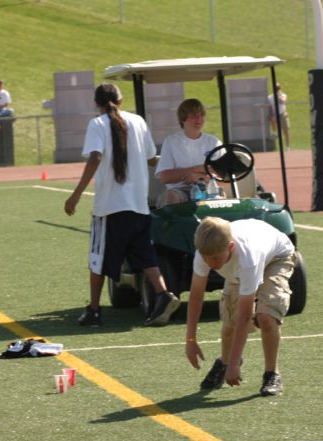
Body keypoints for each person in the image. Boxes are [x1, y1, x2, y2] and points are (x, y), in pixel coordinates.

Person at [64, 83, 180, 327]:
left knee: (98, 259)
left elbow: (95, 156)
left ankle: (94, 310)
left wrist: (75, 195)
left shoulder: (97, 124)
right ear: (121, 99)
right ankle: (162, 294)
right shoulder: (138, 121)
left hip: (110, 207)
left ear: (96, 103)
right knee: (145, 256)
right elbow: (151, 158)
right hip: (139, 204)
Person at [184, 217, 295, 396]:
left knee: (266, 317)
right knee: (229, 326)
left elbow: (245, 315)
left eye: (214, 258)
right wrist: (190, 340)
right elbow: (196, 296)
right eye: (206, 258)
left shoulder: (247, 259)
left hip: (276, 258)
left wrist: (235, 365)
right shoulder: (204, 253)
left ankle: (272, 373)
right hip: (238, 267)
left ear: (230, 248)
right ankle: (224, 362)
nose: (210, 264)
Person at [155, 99, 221, 207]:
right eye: (194, 116)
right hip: (181, 191)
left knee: (222, 199)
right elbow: (165, 177)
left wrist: (197, 175)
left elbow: (223, 173)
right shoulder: (171, 142)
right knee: (171, 197)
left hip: (210, 190)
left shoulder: (214, 142)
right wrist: (198, 170)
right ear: (183, 118)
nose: (199, 120)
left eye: (201, 115)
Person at [268, 83, 290, 148]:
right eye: (276, 88)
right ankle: (274, 132)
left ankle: (287, 147)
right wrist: (271, 114)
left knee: (286, 131)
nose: (277, 90)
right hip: (275, 114)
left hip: (283, 114)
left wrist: (279, 96)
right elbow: (270, 108)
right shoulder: (270, 97)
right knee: (272, 118)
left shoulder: (283, 95)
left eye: (278, 88)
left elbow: (283, 101)